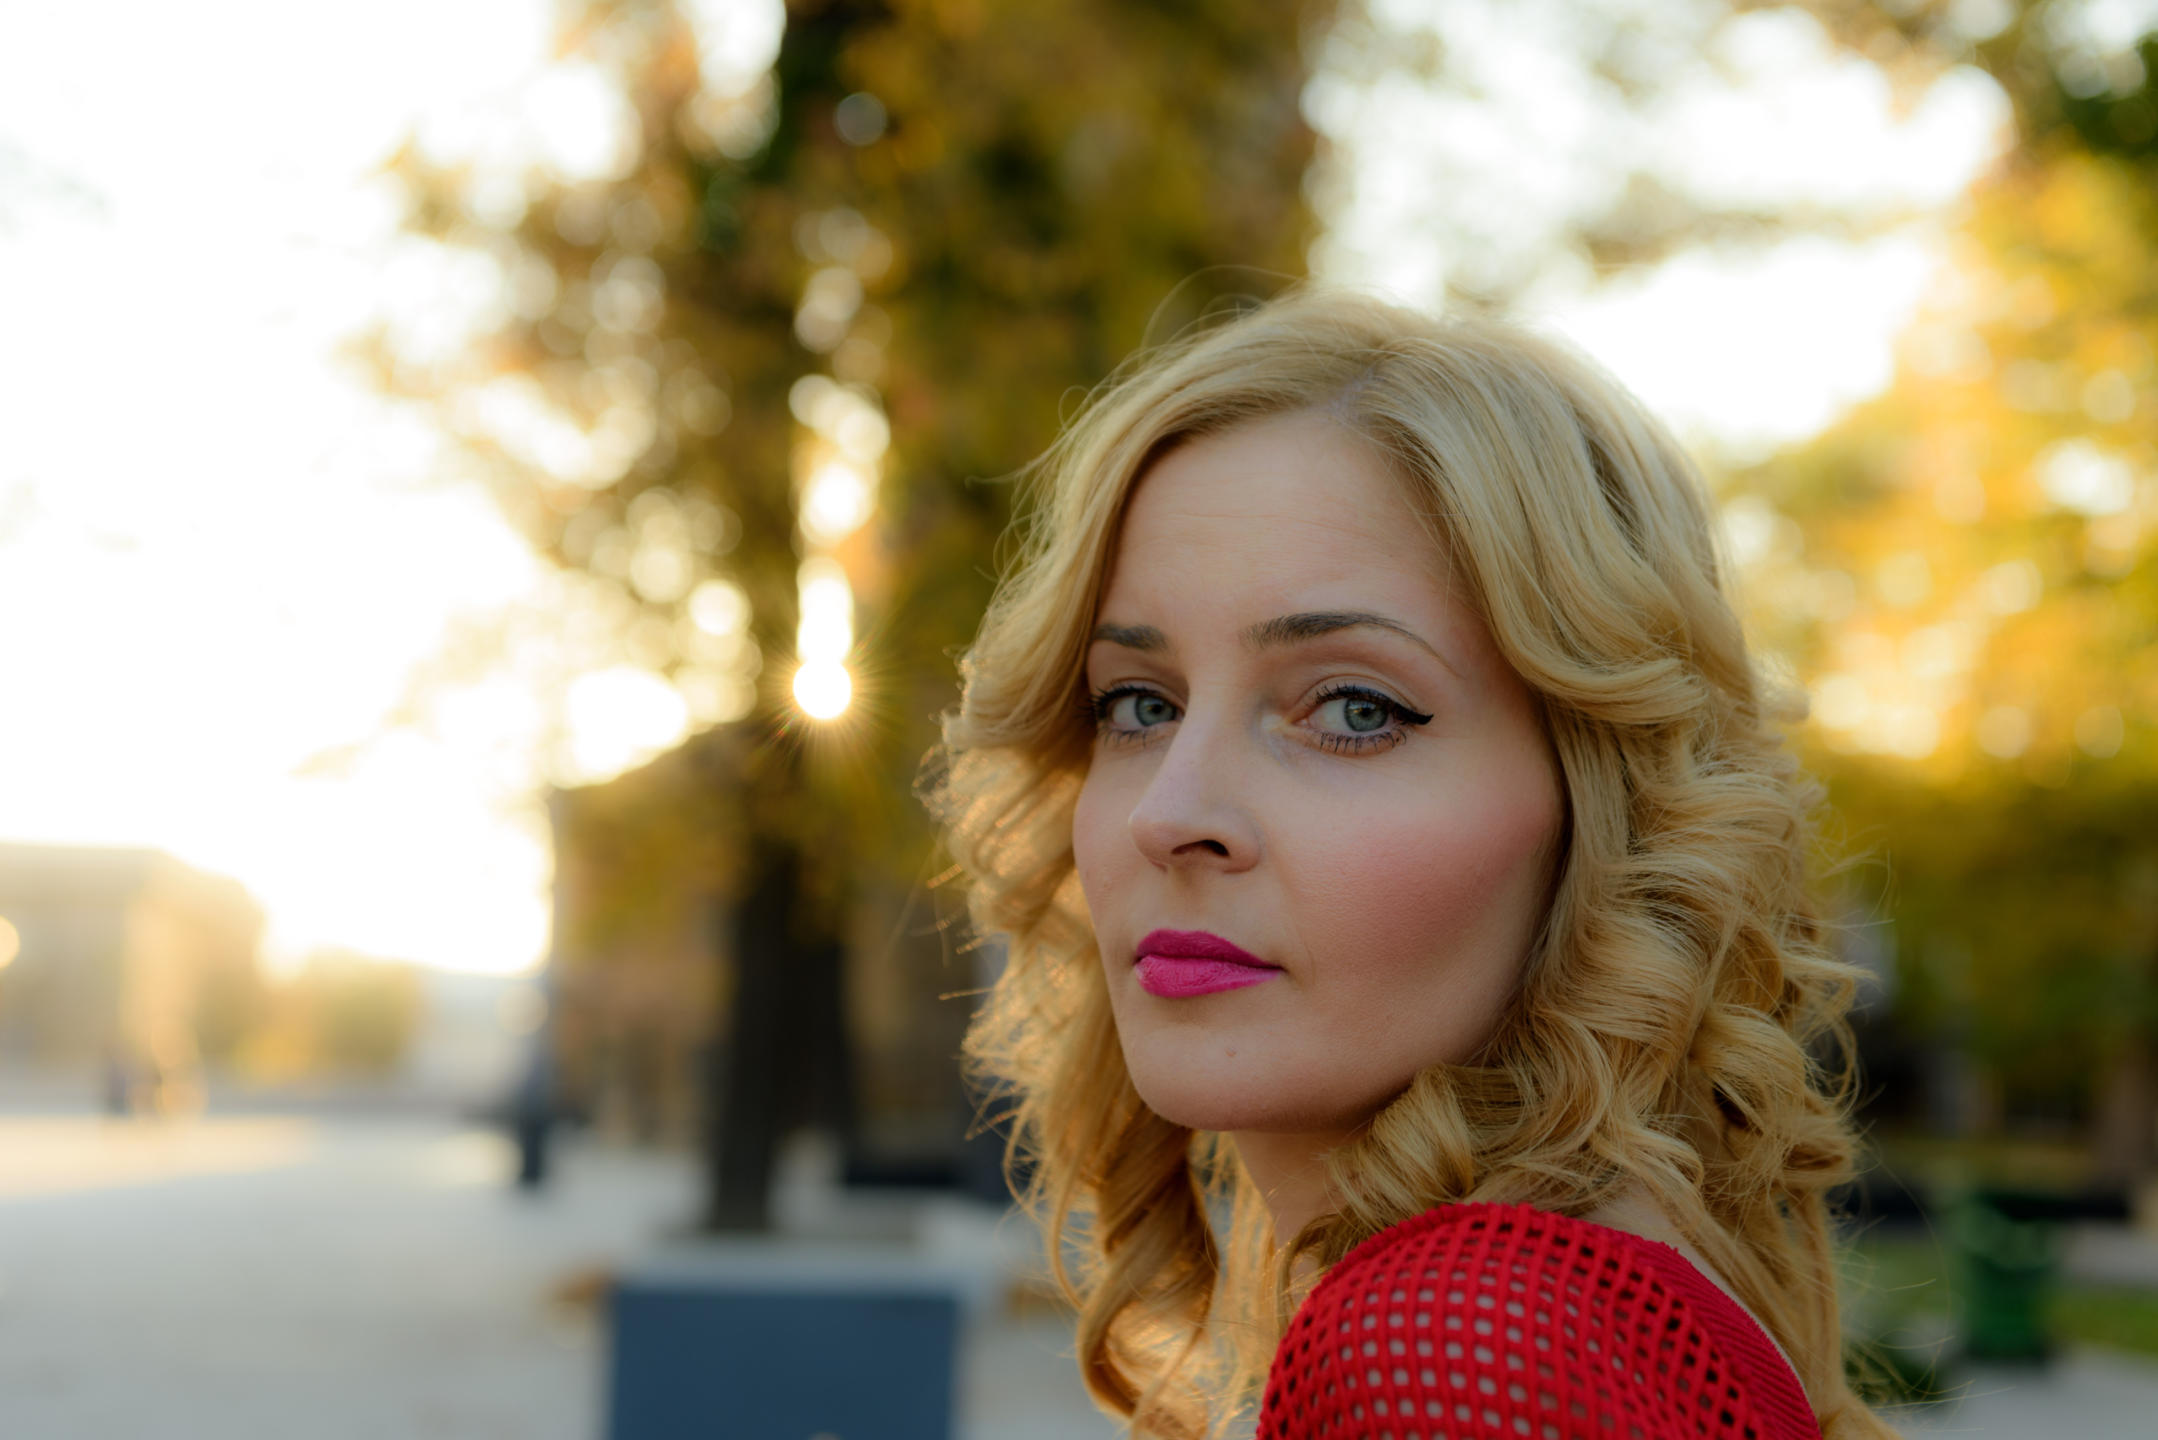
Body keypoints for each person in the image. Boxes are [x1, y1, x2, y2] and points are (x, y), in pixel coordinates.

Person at [927, 287, 1898, 1439]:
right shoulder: (1594, 1308)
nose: (1170, 813)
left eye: (1353, 709)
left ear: (1602, 809)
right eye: (1139, 704)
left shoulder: (1452, 1347)